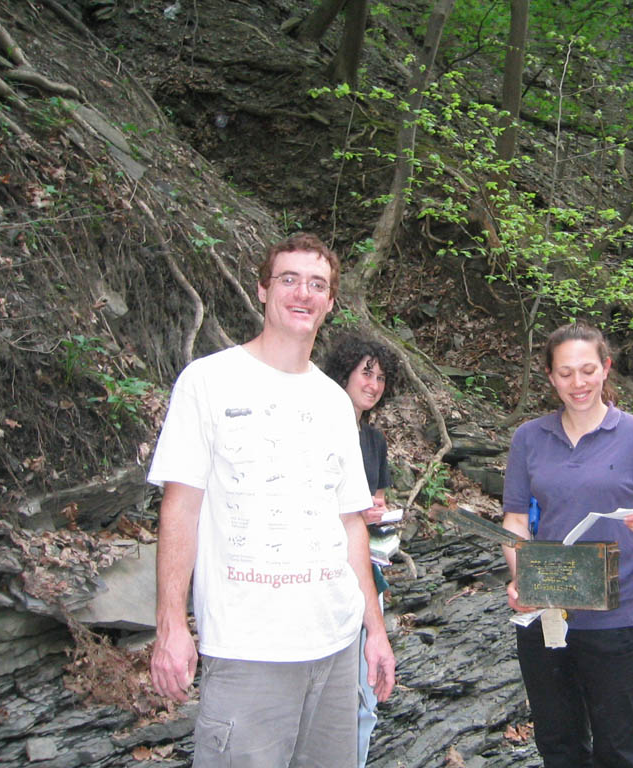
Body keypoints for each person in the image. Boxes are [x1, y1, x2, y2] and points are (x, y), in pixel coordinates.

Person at [147, 233, 396, 768]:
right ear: (262, 290)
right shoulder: (208, 381)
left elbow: (351, 524)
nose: (302, 293)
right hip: (247, 649)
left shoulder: (334, 401)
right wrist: (171, 621)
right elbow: (181, 507)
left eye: (317, 284)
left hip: (334, 647)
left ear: (330, 302)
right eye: (288, 279)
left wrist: (374, 631)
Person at [501, 322, 633, 768]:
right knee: (559, 745)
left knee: (619, 748)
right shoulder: (529, 438)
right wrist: (522, 577)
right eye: (565, 373)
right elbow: (516, 521)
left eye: (587, 370)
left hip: (616, 620)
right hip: (547, 615)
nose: (577, 383)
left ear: (606, 368)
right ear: (549, 376)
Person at [323, 334, 401, 768]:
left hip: (370, 570)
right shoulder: (320, 430)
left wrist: (378, 510)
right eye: (365, 373)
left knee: (365, 692)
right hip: (326, 575)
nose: (373, 384)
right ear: (345, 373)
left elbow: (377, 499)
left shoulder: (373, 441)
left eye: (381, 378)